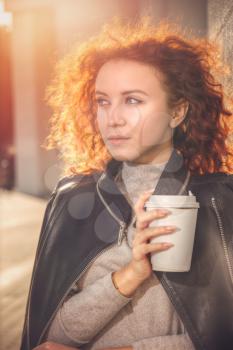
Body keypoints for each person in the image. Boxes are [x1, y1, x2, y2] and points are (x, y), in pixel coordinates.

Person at [20, 16, 233, 350]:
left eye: (133, 100)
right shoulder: (70, 199)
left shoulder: (220, 203)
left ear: (176, 113)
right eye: (103, 101)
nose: (113, 118)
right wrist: (131, 274)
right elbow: (52, 337)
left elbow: (219, 335)